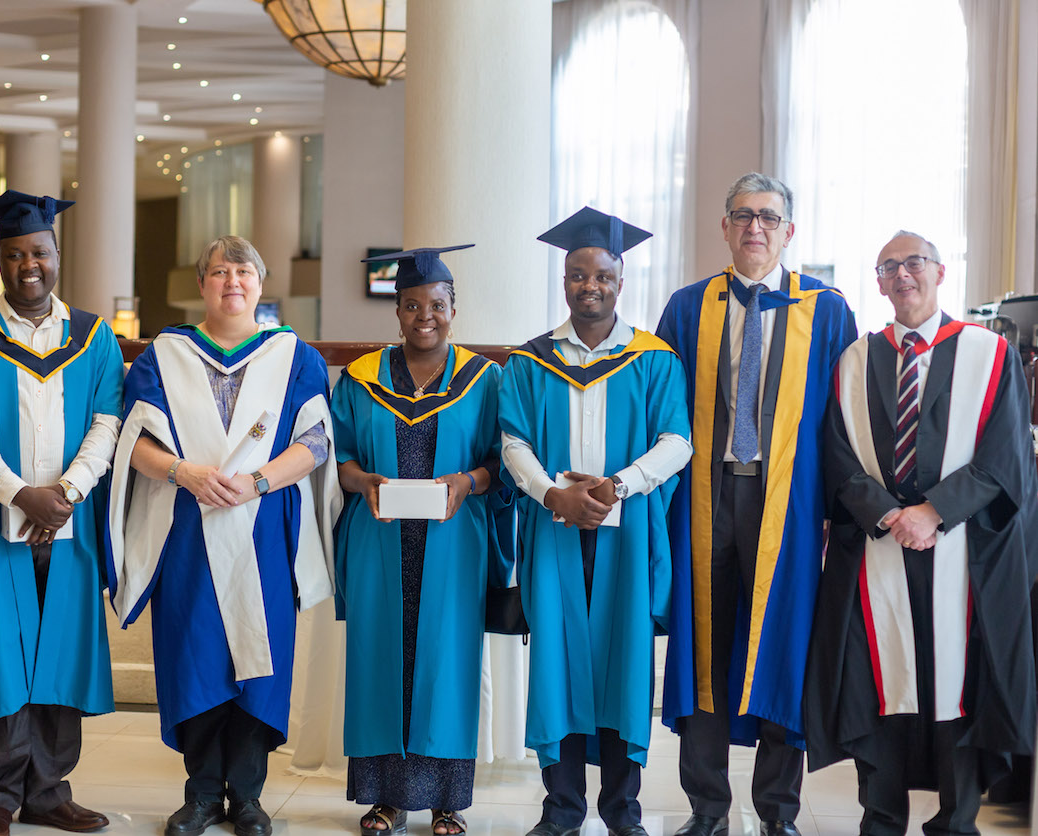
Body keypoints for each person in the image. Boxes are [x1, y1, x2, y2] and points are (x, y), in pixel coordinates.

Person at [106, 235, 340, 836]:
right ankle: (202, 794)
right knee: (195, 652)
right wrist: (185, 473)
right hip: (187, 526)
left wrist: (259, 481)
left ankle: (249, 795)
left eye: (243, 272)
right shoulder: (165, 355)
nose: (231, 281)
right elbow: (134, 443)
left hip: (265, 526)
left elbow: (315, 444)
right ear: (202, 284)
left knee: (260, 659)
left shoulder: (295, 357)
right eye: (219, 272)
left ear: (260, 285)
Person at [806, 231, 1037, 835]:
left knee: (954, 688)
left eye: (914, 263)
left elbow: (1006, 455)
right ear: (878, 283)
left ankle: (955, 823)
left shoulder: (990, 353)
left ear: (938, 273)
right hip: (879, 549)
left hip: (964, 554)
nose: (902, 275)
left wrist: (933, 512)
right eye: (889, 267)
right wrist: (887, 513)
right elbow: (836, 457)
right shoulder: (856, 360)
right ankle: (880, 820)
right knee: (877, 686)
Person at [656, 173, 856, 836]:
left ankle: (778, 813)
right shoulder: (688, 308)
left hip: (793, 507)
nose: (754, 228)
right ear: (724, 227)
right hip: (704, 499)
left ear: (789, 231)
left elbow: (844, 423)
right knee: (704, 649)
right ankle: (708, 810)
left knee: (784, 649)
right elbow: (662, 413)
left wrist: (835, 511)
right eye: (742, 215)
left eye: (768, 217)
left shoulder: (826, 311)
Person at [0, 191, 123, 836]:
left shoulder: (95, 337)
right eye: (14, 254)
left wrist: (65, 493)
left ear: (57, 255)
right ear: (0, 260)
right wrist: (20, 493)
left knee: (61, 652)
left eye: (38, 251)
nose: (28, 264)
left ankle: (49, 792)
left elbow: (108, 423)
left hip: (71, 524)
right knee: (1, 653)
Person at [499, 207, 692, 836]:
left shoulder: (654, 359)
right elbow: (511, 443)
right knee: (555, 659)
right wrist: (554, 495)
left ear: (621, 279)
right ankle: (561, 810)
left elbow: (676, 441)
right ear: (564, 282)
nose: (591, 286)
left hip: (626, 532)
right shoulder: (532, 361)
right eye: (578, 275)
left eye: (602, 275)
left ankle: (622, 810)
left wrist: (618, 486)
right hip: (555, 532)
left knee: (624, 658)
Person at [332, 245, 512, 836]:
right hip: (380, 540)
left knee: (447, 662)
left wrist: (469, 480)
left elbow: (501, 461)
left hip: (454, 542)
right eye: (412, 305)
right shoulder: (361, 380)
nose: (424, 316)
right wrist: (365, 483)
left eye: (436, 304)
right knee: (381, 658)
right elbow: (340, 458)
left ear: (453, 307)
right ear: (398, 310)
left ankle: (446, 801)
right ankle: (385, 800)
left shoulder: (484, 380)